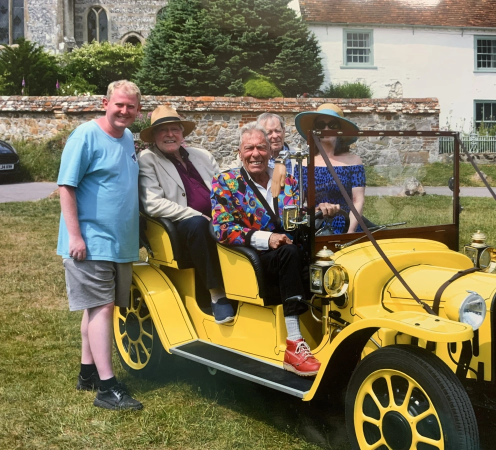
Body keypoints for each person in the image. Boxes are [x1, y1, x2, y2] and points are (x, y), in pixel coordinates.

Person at [211, 122, 339, 377]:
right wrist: (266, 238)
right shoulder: (225, 182)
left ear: (270, 151)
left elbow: (296, 217)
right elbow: (222, 228)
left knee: (330, 258)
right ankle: (294, 343)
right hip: (256, 257)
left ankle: (335, 331)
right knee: (289, 254)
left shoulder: (286, 178)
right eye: (249, 148)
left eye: (261, 147)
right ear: (239, 152)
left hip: (292, 251)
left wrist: (319, 211)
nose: (255, 154)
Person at [57, 80, 143, 411]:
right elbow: (66, 186)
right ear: (105, 103)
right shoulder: (85, 136)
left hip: (118, 242)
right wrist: (75, 236)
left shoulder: (127, 138)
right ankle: (107, 388)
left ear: (138, 110)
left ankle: (87, 373)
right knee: (102, 308)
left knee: (97, 308)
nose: (124, 111)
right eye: (119, 104)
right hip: (90, 241)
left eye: (131, 106)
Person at [137, 105, 235, 324]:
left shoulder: (202, 155)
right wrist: (195, 214)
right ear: (154, 136)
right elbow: (152, 204)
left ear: (182, 133)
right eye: (163, 130)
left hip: (216, 218)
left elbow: (225, 187)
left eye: (175, 129)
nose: (170, 134)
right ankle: (217, 295)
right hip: (179, 226)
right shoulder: (148, 159)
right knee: (197, 224)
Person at [294, 103, 366, 234]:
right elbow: (298, 202)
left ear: (340, 130)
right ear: (315, 130)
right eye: (321, 125)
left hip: (346, 224)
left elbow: (358, 200)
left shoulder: (354, 161)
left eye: (332, 125)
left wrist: (350, 232)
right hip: (315, 226)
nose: (326, 129)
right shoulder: (304, 162)